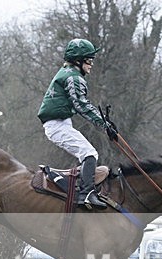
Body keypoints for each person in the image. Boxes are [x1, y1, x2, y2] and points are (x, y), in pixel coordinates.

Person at [38, 38, 118, 210]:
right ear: (78, 60)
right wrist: (105, 125)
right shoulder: (74, 78)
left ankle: (81, 186)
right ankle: (86, 194)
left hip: (61, 123)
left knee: (89, 153)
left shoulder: (67, 72)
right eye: (89, 60)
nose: (91, 65)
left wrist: (106, 122)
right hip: (57, 125)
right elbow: (81, 104)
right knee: (89, 153)